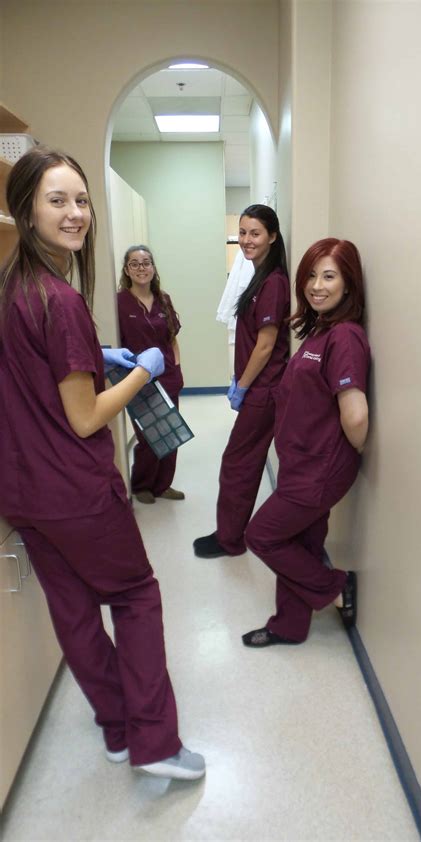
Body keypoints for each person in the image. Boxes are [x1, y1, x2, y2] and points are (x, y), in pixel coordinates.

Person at [0, 146, 205, 780]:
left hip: (26, 492)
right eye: (56, 200)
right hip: (77, 489)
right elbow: (86, 418)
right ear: (25, 209)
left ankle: (117, 728)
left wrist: (98, 353)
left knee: (75, 611)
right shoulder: (57, 299)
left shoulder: (15, 287)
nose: (75, 213)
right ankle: (157, 743)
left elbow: (40, 377)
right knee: (136, 596)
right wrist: (141, 371)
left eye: (81, 200)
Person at [241, 238, 370, 647]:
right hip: (301, 461)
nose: (317, 285)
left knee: (261, 535)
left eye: (329, 276)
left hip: (318, 468)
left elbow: (356, 414)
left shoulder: (345, 337)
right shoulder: (320, 330)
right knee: (302, 541)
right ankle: (289, 626)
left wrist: (351, 453)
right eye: (311, 275)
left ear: (349, 284)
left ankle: (336, 586)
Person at [193, 204, 290, 559]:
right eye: (243, 232)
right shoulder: (257, 274)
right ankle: (229, 534)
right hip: (258, 387)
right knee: (240, 462)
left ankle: (230, 540)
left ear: (273, 237)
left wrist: (244, 386)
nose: (247, 240)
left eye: (256, 233)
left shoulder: (274, 282)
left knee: (238, 463)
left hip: (263, 390)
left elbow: (266, 344)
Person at [117, 245, 184, 504]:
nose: (141, 268)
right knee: (147, 435)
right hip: (137, 379)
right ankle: (142, 484)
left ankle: (163, 484)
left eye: (146, 263)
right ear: (127, 270)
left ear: (153, 268)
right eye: (135, 263)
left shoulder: (163, 299)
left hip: (168, 376)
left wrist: (177, 370)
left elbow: (173, 339)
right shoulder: (119, 302)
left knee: (171, 432)